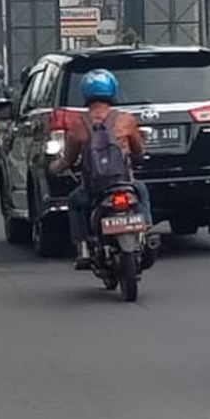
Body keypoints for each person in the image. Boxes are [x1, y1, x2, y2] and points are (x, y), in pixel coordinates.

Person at [48, 69, 151, 270]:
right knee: (142, 192)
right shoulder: (126, 120)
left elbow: (68, 160)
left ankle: (84, 248)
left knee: (75, 202)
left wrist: (54, 168)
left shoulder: (78, 124)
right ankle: (146, 231)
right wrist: (136, 161)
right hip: (124, 183)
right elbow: (138, 152)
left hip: (94, 188)